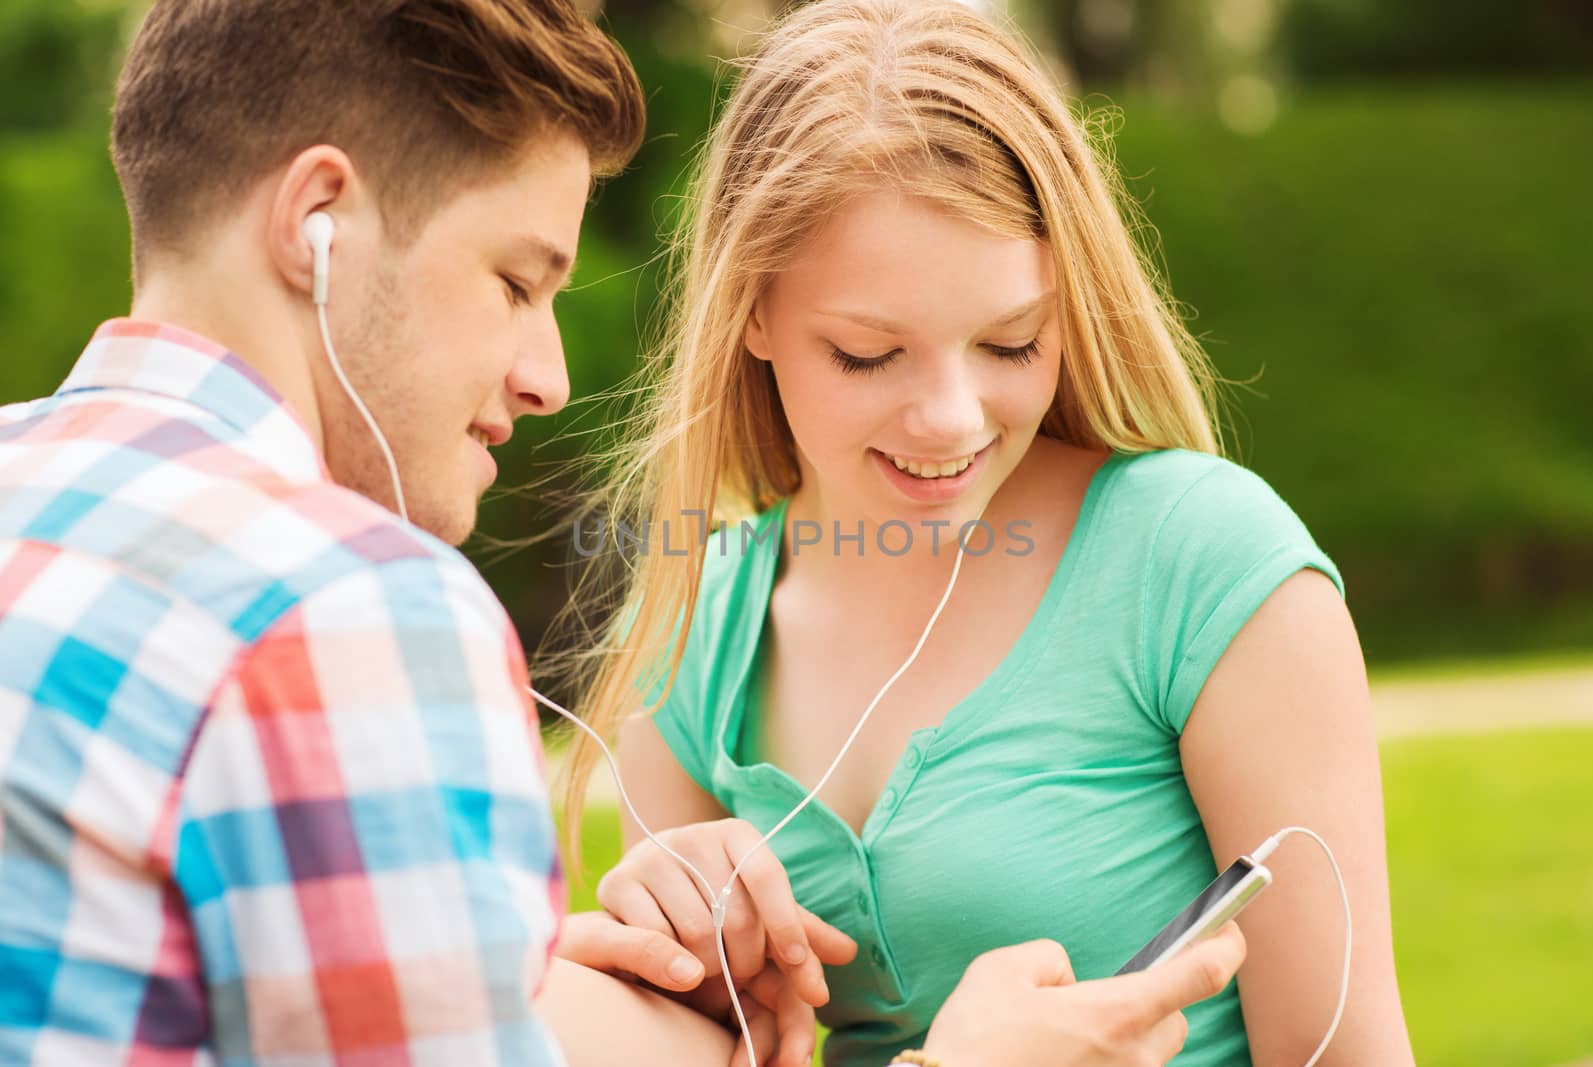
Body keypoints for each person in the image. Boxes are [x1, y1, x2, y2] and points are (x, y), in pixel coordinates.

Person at [0, 1, 1246, 1065]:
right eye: (515, 277)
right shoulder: (345, 614)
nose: (546, 372)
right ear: (317, 222)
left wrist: (599, 1010)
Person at [564, 0, 1416, 1065]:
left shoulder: (1198, 563)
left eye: (1011, 342)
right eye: (870, 354)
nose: (953, 419)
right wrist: (666, 972)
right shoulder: (693, 625)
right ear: (751, 312)